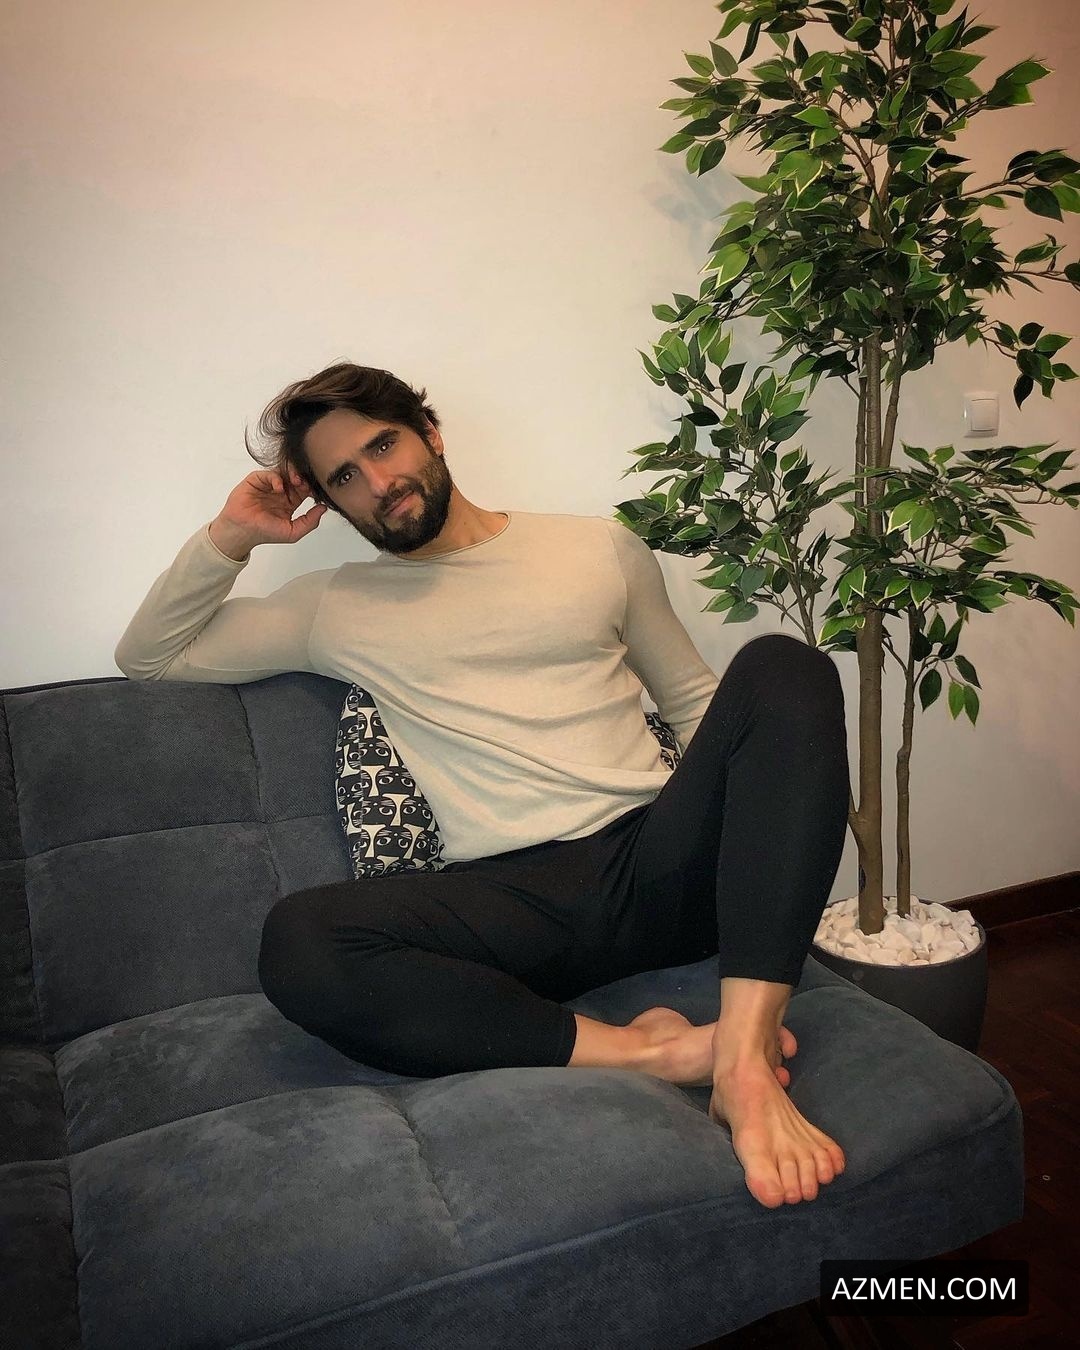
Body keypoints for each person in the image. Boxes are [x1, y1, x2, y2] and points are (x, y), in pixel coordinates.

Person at [115, 361, 852, 1211]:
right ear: (329, 504)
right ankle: (653, 1052)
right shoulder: (334, 605)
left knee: (786, 667)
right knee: (301, 939)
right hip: (516, 904)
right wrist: (232, 535)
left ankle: (744, 1065)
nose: (377, 483)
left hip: (658, 863)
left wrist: (734, 833)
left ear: (429, 433)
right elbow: (150, 657)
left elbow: (694, 706)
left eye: (382, 446)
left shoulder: (598, 549)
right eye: (343, 477)